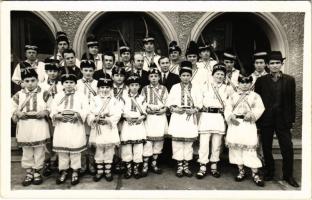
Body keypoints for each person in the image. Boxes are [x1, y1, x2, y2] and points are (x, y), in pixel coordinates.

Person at [255, 51, 299, 187]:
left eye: (277, 63)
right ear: (267, 65)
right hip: (266, 120)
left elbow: (292, 102)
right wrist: (258, 121)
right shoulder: (261, 81)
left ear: (281, 64)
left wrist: (291, 120)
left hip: (283, 120)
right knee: (267, 147)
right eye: (272, 63)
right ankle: (269, 172)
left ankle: (288, 175)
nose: (275, 65)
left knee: (287, 147)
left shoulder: (290, 80)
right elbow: (257, 102)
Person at [11, 68, 50, 186]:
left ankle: (37, 171)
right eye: (27, 81)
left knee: (39, 149)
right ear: (23, 82)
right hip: (25, 125)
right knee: (27, 150)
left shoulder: (44, 93)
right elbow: (11, 106)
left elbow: (51, 106)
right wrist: (17, 113)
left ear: (37, 80)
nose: (30, 83)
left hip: (39, 125)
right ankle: (29, 172)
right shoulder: (19, 95)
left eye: (33, 80)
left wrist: (45, 112)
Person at [224, 74, 265, 187]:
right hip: (235, 124)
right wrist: (230, 116)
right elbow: (227, 108)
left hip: (248, 124)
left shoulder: (255, 96)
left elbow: (260, 108)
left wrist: (252, 114)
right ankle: (241, 171)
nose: (245, 84)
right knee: (236, 148)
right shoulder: (233, 96)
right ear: (238, 83)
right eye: (242, 82)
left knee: (249, 148)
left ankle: (255, 173)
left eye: (247, 82)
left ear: (251, 83)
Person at [50, 69, 88, 185]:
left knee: (75, 150)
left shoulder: (81, 96)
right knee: (63, 151)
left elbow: (86, 109)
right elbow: (53, 109)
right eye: (66, 82)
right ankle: (64, 170)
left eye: (71, 82)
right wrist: (57, 116)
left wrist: (78, 115)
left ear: (75, 84)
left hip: (75, 125)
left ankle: (75, 170)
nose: (69, 85)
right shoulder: (58, 96)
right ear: (62, 84)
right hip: (62, 125)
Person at [196, 63, 231, 179]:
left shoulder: (227, 88)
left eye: (222, 74)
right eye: (217, 74)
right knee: (204, 143)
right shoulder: (205, 86)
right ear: (213, 75)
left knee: (217, 144)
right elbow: (199, 101)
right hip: (206, 116)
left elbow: (229, 105)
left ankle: (214, 165)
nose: (220, 76)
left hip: (218, 117)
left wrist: (228, 119)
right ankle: (202, 166)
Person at [166, 60, 201, 177]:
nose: (185, 78)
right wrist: (175, 109)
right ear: (180, 76)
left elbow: (199, 103)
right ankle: (179, 165)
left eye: (188, 75)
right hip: (178, 116)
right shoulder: (175, 87)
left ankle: (186, 165)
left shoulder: (196, 88)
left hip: (190, 116)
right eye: (183, 75)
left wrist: (194, 109)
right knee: (177, 142)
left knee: (188, 142)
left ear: (191, 76)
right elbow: (169, 102)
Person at [87, 76, 122, 182]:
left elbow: (117, 113)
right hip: (98, 128)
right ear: (98, 88)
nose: (104, 89)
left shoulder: (114, 100)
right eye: (102, 87)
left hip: (109, 128)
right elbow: (90, 112)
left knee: (109, 149)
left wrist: (108, 119)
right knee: (99, 150)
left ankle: (107, 171)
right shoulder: (94, 99)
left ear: (111, 88)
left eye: (107, 87)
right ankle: (99, 171)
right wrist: (93, 118)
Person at [141, 68, 169, 176]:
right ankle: (145, 165)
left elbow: (168, 101)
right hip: (149, 118)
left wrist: (164, 109)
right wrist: (146, 109)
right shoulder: (145, 89)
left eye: (156, 76)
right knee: (148, 141)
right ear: (148, 78)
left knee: (158, 142)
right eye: (151, 76)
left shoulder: (164, 89)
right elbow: (141, 102)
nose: (153, 78)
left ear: (159, 77)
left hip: (160, 118)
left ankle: (154, 164)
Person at [120, 74, 147, 179]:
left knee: (138, 147)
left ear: (139, 86)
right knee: (127, 147)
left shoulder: (142, 98)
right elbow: (120, 110)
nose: (134, 87)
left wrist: (142, 117)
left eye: (136, 85)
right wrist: (126, 117)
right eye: (132, 85)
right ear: (128, 86)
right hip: (128, 124)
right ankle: (128, 168)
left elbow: (145, 111)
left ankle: (136, 168)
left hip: (139, 125)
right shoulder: (123, 98)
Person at [40, 58, 63, 176]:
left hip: (58, 116)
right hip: (47, 116)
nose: (52, 73)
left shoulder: (62, 85)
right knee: (48, 139)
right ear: (46, 72)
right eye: (50, 71)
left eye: (55, 71)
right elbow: (40, 101)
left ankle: (59, 160)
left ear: (59, 72)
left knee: (58, 137)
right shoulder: (41, 86)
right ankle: (48, 161)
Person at [76, 60, 98, 175]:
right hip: (81, 115)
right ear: (81, 71)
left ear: (94, 71)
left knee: (92, 141)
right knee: (82, 141)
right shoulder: (77, 83)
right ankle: (83, 164)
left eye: (90, 70)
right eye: (85, 70)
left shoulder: (97, 83)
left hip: (93, 115)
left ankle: (92, 164)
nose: (88, 73)